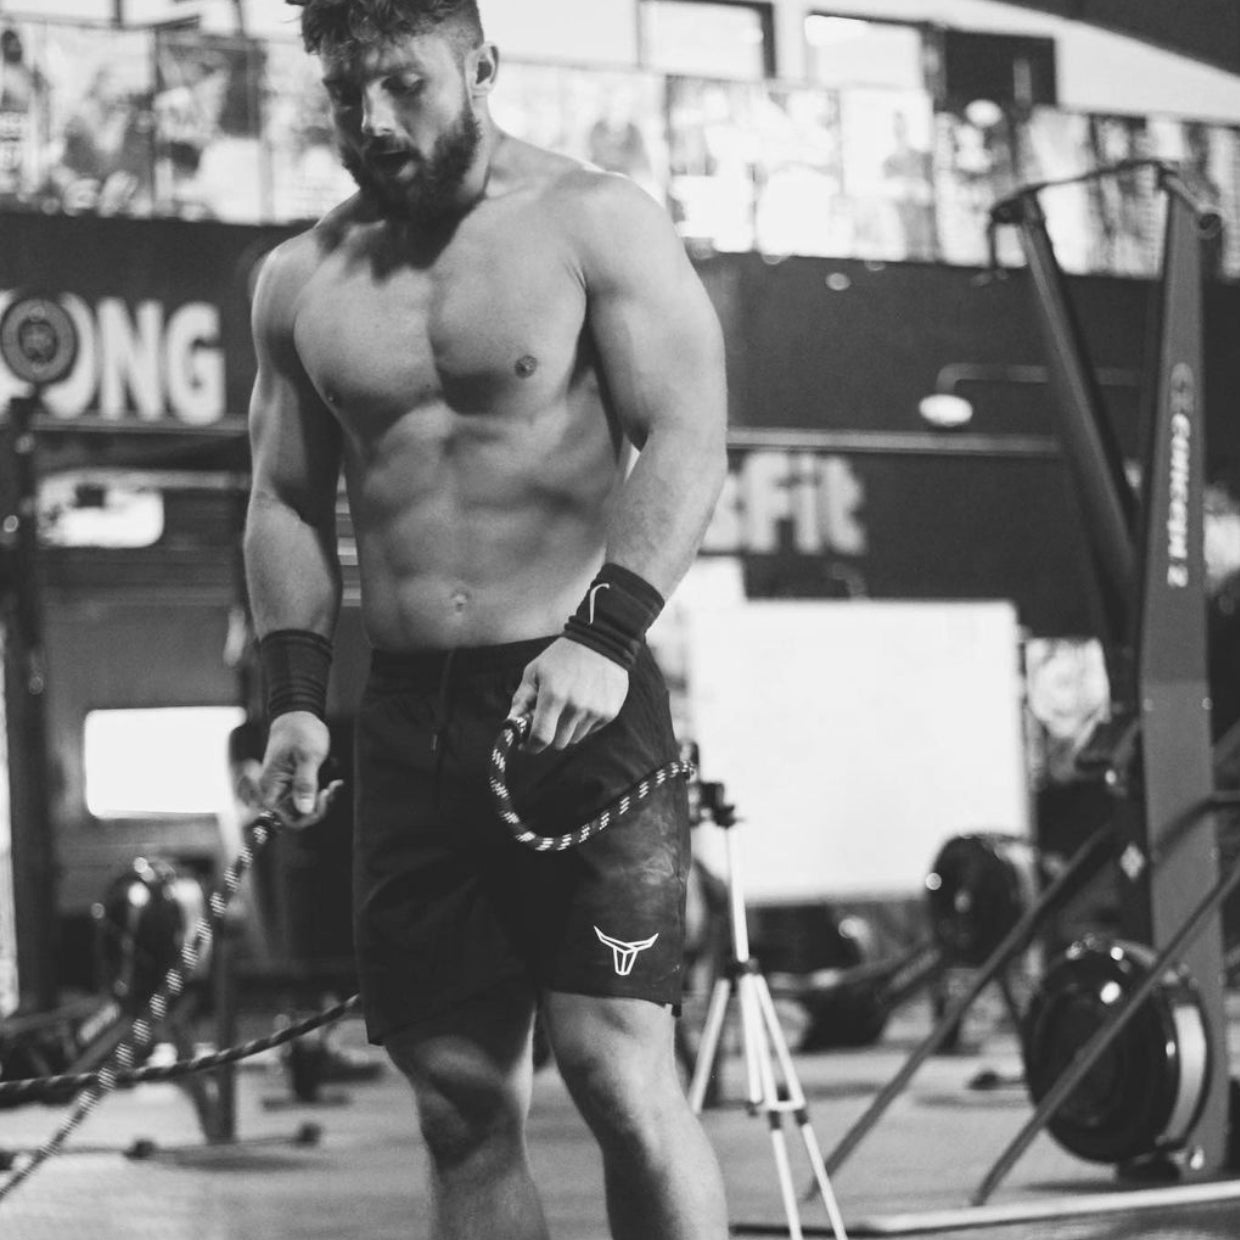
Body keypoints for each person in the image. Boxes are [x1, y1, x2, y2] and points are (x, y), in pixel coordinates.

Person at [244, 2, 729, 1237]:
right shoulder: (300, 280)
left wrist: (605, 634)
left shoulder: (592, 222)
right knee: (459, 1104)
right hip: (409, 719)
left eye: (403, 85)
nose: (372, 120)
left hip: (582, 701)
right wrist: (296, 701)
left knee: (618, 1074)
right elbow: (284, 500)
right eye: (345, 94)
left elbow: (687, 435)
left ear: (481, 68)